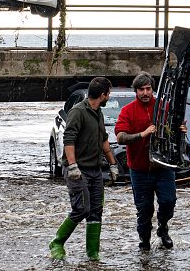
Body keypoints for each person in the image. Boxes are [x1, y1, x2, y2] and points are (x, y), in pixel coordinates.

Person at [49, 77, 119, 261]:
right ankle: (57, 243)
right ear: (103, 95)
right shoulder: (78, 112)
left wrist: (112, 164)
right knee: (81, 209)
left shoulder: (99, 113)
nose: (108, 97)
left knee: (96, 211)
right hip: (78, 170)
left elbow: (104, 139)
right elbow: (68, 139)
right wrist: (72, 166)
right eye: (108, 94)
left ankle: (93, 253)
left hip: (95, 170)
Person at [115, 72, 187, 251]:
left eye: (148, 89)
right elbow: (120, 137)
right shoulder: (128, 111)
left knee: (169, 201)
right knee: (144, 209)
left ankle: (163, 228)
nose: (145, 93)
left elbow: (176, 130)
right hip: (139, 169)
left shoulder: (164, 107)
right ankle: (144, 244)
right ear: (136, 91)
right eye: (141, 90)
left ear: (153, 89)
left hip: (163, 167)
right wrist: (142, 134)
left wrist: (182, 130)